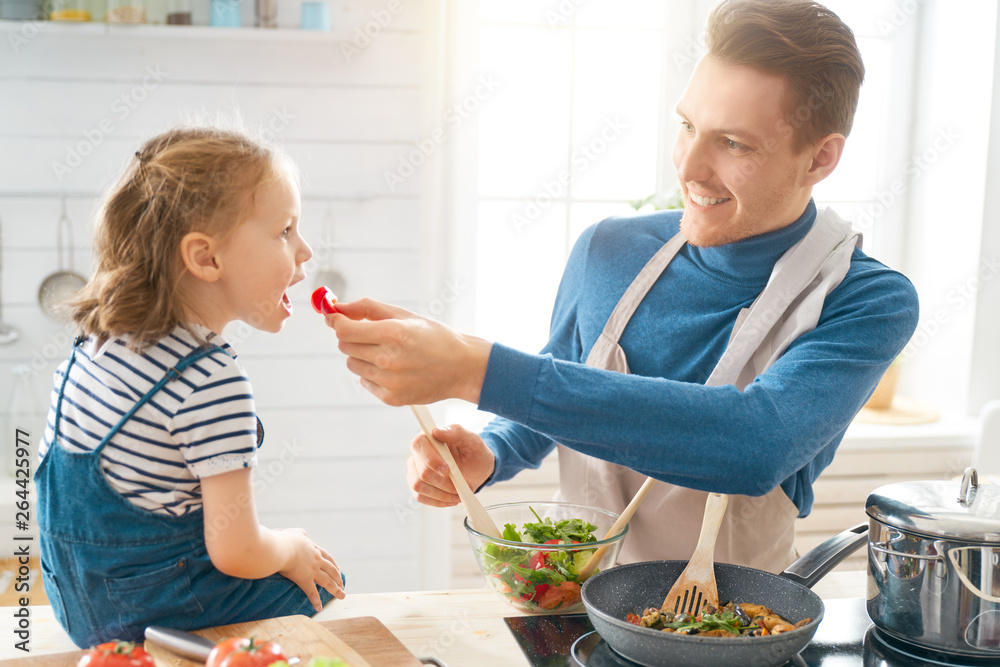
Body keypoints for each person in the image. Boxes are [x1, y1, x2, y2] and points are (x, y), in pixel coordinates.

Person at [327, 0, 919, 572]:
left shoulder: (864, 300)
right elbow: (563, 370)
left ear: (820, 159)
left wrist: (476, 371)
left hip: (733, 631)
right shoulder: (608, 250)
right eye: (687, 126)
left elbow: (753, 443)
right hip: (567, 609)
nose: (688, 167)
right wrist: (493, 451)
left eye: (733, 143)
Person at [35, 126, 345, 648]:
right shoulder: (211, 379)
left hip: (74, 598)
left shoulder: (102, 337)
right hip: (146, 614)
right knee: (316, 585)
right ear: (205, 258)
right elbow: (237, 551)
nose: (305, 251)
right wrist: (290, 549)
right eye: (284, 232)